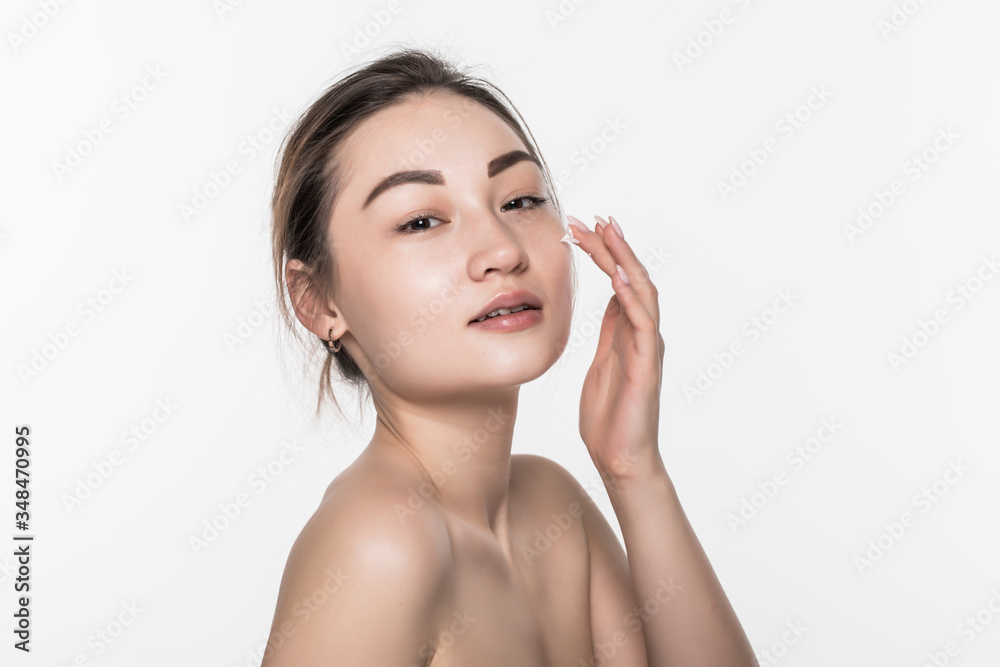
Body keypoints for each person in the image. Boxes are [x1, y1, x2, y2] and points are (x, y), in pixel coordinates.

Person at [261, 44, 758, 666]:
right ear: (317, 301)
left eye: (519, 201)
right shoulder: (380, 542)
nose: (500, 248)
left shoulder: (552, 509)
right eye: (421, 221)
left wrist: (635, 471)